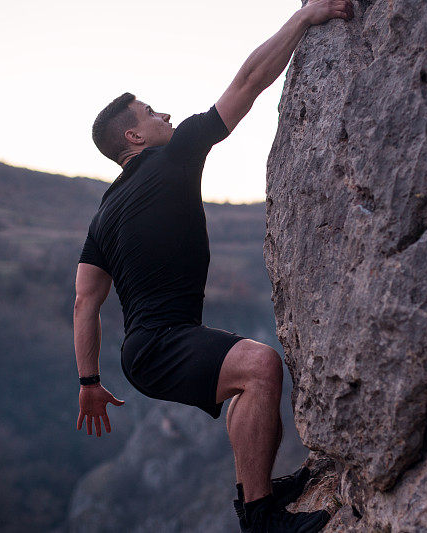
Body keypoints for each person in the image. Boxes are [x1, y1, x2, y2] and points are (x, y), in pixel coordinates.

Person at [73, 1, 354, 531]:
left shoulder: (103, 214)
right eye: (152, 112)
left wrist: (88, 379)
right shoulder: (172, 155)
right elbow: (247, 82)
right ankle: (259, 517)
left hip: (149, 346)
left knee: (252, 377)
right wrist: (305, 18)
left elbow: (86, 300)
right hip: (158, 344)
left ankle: (259, 487)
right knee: (260, 365)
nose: (166, 116)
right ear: (133, 138)